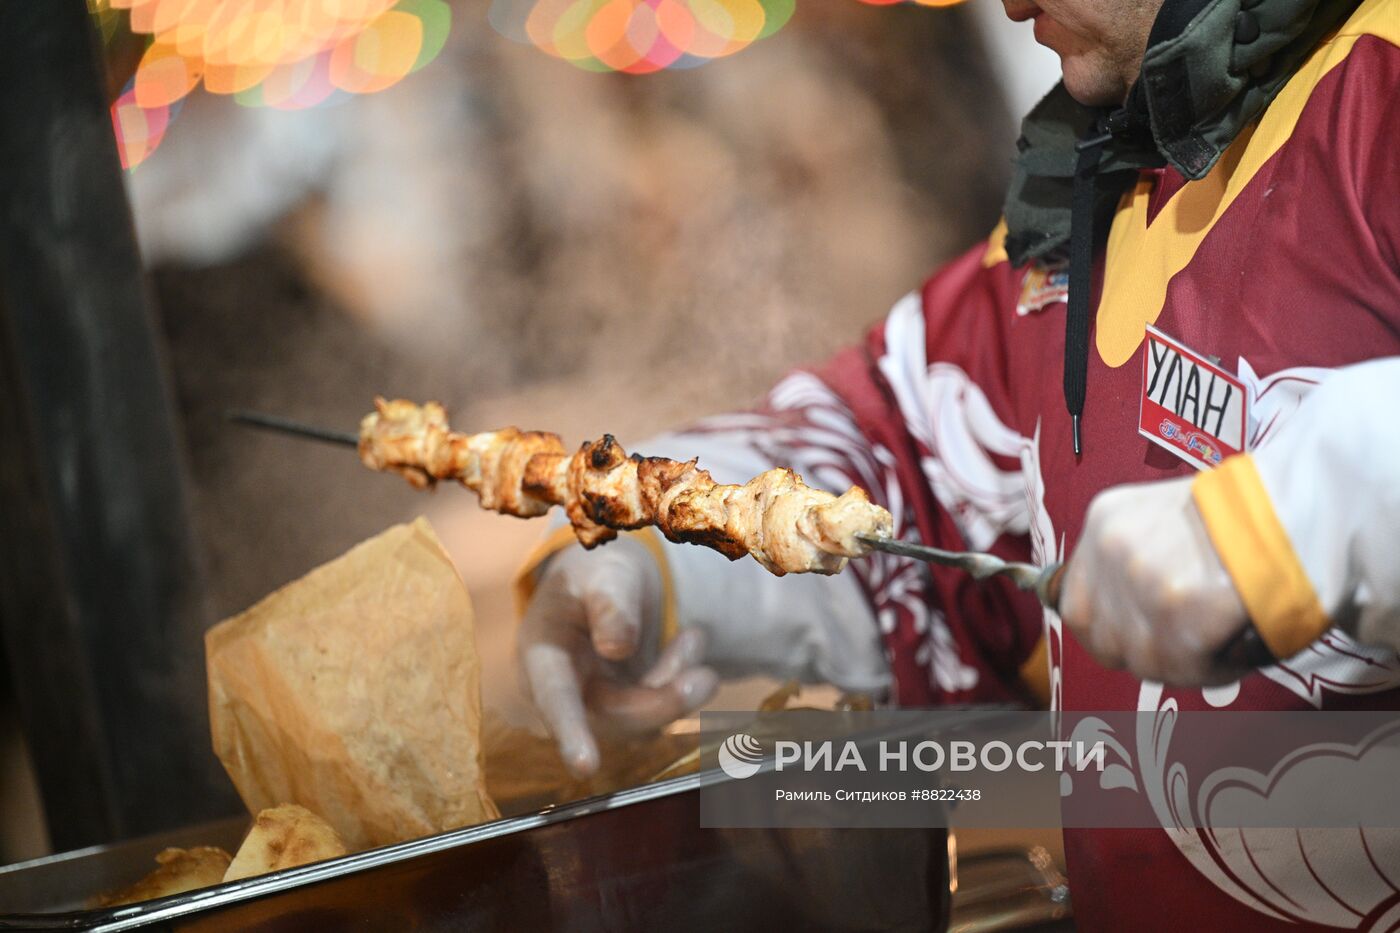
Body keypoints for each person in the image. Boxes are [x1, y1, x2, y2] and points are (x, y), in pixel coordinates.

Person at [516, 0, 1400, 926]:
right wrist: (647, 558)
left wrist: (1296, 522)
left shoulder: (1375, 96)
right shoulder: (1100, 186)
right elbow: (903, 455)